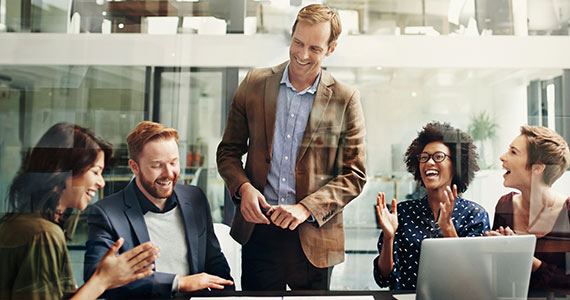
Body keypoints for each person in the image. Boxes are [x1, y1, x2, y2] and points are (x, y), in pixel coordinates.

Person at [216, 4, 366, 291]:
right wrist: (243, 188)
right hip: (259, 232)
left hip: (314, 237)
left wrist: (305, 208)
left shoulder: (345, 98)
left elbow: (354, 175)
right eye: (297, 42)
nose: (302, 54)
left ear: (331, 49)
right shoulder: (254, 83)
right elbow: (228, 151)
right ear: (292, 34)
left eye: (314, 48)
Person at [0, 122, 159, 300]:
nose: (101, 183)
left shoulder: (21, 223)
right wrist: (102, 280)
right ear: (65, 171)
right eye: (95, 171)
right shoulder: (43, 233)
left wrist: (108, 278)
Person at [84, 121, 233, 299]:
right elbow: (97, 280)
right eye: (157, 165)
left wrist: (230, 296)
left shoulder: (195, 199)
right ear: (134, 167)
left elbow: (214, 261)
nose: (168, 173)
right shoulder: (107, 213)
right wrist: (179, 282)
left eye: (173, 162)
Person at [373, 122, 490, 290]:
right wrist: (388, 237)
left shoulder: (474, 214)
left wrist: (447, 227)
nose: (429, 163)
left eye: (438, 157)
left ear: (455, 164)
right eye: (424, 157)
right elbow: (384, 278)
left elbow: (472, 277)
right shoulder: (403, 213)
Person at [487, 126, 570, 289]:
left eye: (513, 152)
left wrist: (523, 255)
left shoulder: (568, 211)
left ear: (537, 168)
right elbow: (499, 279)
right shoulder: (505, 205)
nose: (502, 157)